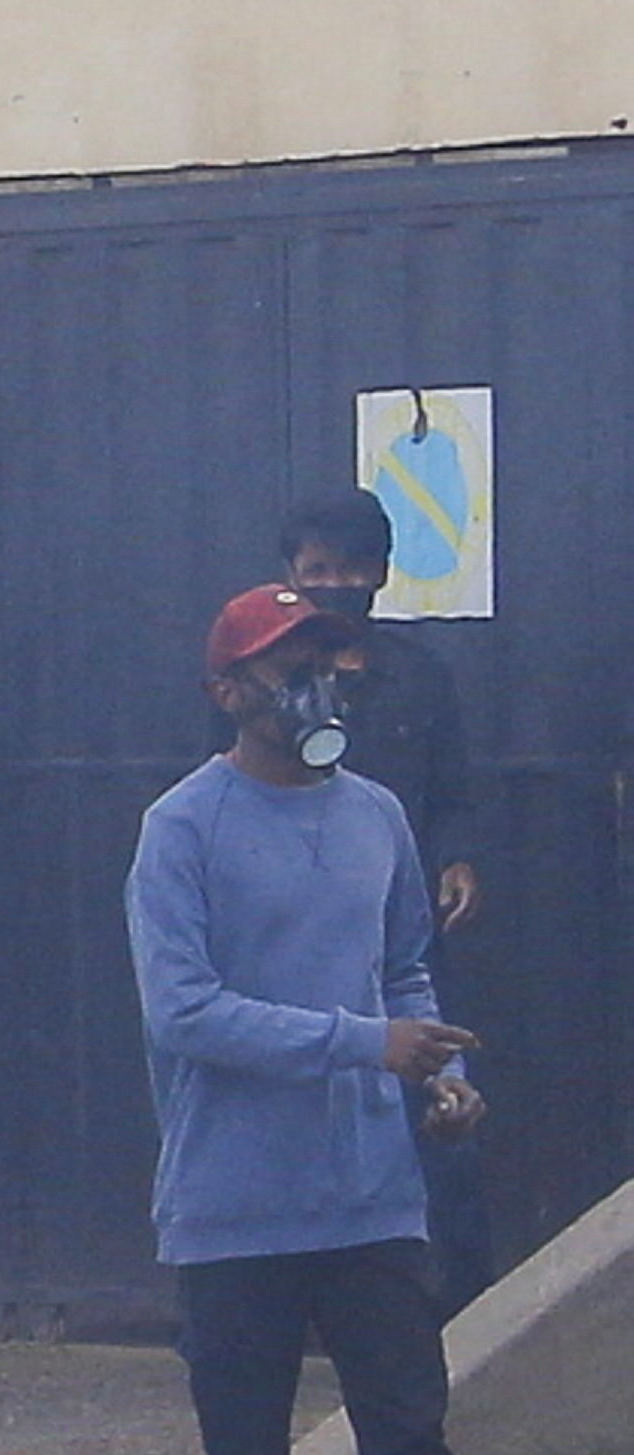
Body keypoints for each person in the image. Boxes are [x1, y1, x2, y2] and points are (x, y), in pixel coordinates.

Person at [126, 587, 538, 1455]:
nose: (316, 682)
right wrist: (372, 1047)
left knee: (411, 1447)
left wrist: (442, 1076)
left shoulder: (378, 818)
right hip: (233, 1200)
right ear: (228, 693)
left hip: (370, 1193)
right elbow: (184, 1009)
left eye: (326, 659)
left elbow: (407, 965)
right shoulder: (181, 828)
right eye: (285, 665)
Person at [279, 489, 494, 1313]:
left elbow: (453, 792)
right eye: (317, 570)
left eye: (352, 569)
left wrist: (459, 860)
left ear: (380, 575)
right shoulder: (273, 676)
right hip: (296, 946)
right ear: (291, 577)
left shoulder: (420, 673)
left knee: (443, 1114)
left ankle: (471, 1314)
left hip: (407, 945)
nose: (336, 584)